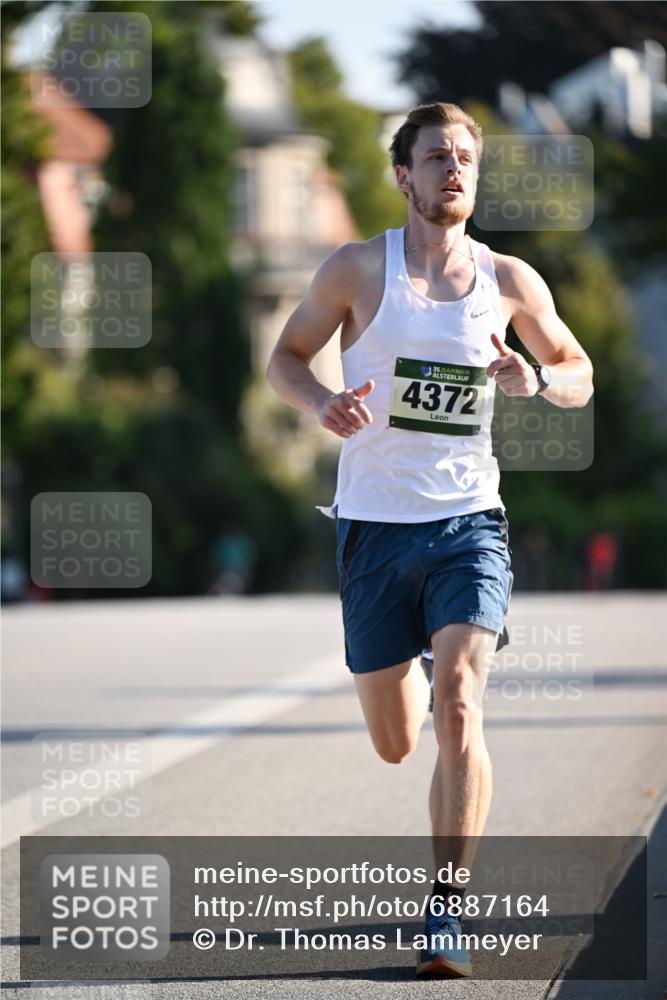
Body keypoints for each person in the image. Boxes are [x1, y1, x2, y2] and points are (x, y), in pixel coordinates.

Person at [266, 102, 593, 978]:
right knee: (396, 743)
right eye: (434, 157)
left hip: (465, 524)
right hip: (372, 527)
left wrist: (534, 377)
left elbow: (578, 373)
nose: (453, 171)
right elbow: (286, 358)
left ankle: (445, 912)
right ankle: (405, 663)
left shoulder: (510, 280)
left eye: (465, 160)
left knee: (459, 702)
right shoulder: (354, 269)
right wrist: (319, 402)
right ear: (401, 174)